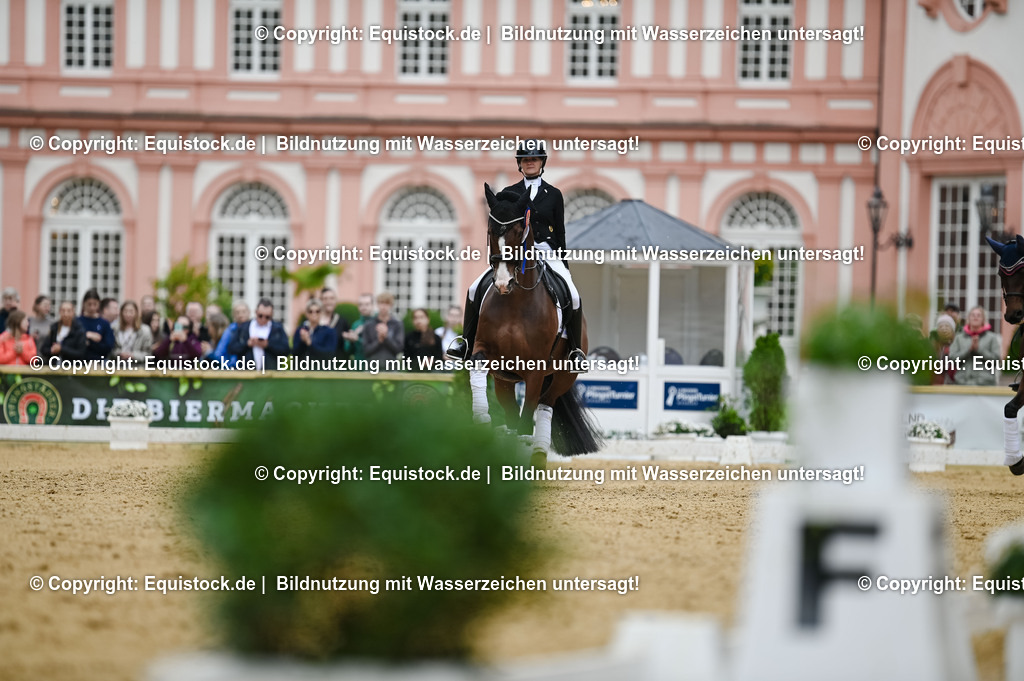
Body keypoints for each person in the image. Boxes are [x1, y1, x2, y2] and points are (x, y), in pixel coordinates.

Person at [447, 139, 587, 371]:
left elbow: (560, 231)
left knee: (573, 295)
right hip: (512, 252)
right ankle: (466, 344)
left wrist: (564, 264)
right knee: (473, 288)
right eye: (525, 160)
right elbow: (498, 229)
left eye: (534, 159)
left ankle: (574, 351)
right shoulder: (508, 193)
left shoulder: (553, 194)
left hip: (546, 251)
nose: (530, 163)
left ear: (542, 162)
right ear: (520, 164)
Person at [229, 298, 289, 370]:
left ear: (272, 315)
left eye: (267, 317)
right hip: (247, 372)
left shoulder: (277, 328)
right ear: (256, 312)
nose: (263, 319)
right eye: (260, 316)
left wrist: (268, 345)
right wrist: (247, 344)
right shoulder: (244, 327)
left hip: (270, 374)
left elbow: (286, 350)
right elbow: (231, 348)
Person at [949, 306, 1002, 386]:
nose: (975, 317)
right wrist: (969, 350)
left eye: (978, 315)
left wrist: (979, 350)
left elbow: (997, 360)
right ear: (968, 318)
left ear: (983, 319)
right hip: (962, 383)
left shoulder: (992, 338)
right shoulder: (959, 338)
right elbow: (952, 359)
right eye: (973, 315)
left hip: (985, 384)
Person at [361, 291, 403, 363]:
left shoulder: (397, 324)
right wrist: (379, 341)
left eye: (387, 303)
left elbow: (398, 350)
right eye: (381, 303)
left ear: (391, 305)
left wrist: (386, 337)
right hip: (372, 366)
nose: (383, 306)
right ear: (377, 304)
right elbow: (365, 350)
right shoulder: (369, 324)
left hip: (391, 367)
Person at [293, 297, 338, 362]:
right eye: (310, 311)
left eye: (317, 311)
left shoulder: (329, 331)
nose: (314, 314)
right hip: (302, 369)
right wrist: (302, 342)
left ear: (321, 313)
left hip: (320, 369)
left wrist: (310, 343)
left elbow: (330, 355)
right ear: (307, 314)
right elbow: (294, 354)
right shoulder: (300, 330)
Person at [78, 289, 115, 360]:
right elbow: (73, 343)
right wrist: (86, 334)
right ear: (84, 304)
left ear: (99, 304)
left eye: (95, 304)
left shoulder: (104, 323)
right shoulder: (77, 321)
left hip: (100, 360)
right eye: (89, 304)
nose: (92, 307)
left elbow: (108, 346)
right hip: (80, 361)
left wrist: (90, 342)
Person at [212, 301, 251, 367]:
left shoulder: (254, 329)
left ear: (249, 313)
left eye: (243, 312)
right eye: (237, 312)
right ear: (233, 315)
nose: (240, 315)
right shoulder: (230, 331)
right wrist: (230, 365)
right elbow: (219, 353)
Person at [342, 293, 375, 361]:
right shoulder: (356, 324)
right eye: (361, 304)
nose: (363, 307)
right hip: (358, 365)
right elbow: (348, 350)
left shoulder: (377, 324)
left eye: (367, 304)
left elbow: (375, 347)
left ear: (372, 306)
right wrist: (350, 341)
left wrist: (357, 340)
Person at [320, 287, 349, 359]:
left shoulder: (342, 322)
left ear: (335, 301)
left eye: (331, 298)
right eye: (325, 299)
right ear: (320, 301)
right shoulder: (314, 321)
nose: (328, 301)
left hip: (337, 364)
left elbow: (347, 348)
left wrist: (350, 341)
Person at [931, 313, 957, 385]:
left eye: (947, 326)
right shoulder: (932, 347)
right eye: (941, 327)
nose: (944, 329)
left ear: (953, 330)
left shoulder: (957, 346)